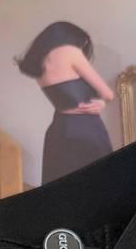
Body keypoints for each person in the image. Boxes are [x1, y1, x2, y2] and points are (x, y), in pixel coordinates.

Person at [15, 21, 115, 184]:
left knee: (61, 188)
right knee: (98, 185)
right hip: (86, 128)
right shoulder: (70, 52)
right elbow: (107, 94)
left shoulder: (38, 63)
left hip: (58, 129)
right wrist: (103, 102)